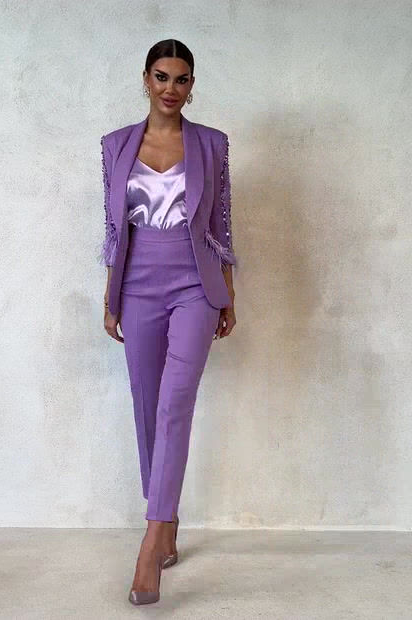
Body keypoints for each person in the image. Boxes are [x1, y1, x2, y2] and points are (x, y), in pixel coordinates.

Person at [98, 39, 238, 605]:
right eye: (162, 77)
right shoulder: (115, 145)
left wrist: (228, 293)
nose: (171, 88)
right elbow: (113, 227)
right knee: (147, 405)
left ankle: (152, 542)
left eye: (181, 79)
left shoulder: (211, 144)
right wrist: (110, 295)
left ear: (191, 85)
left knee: (176, 403)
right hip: (136, 285)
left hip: (194, 284)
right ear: (145, 78)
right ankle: (169, 519)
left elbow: (222, 222)